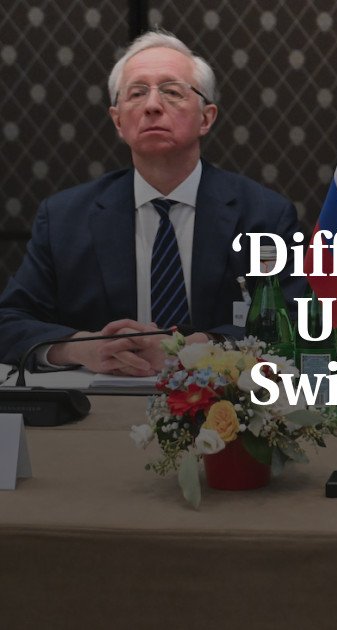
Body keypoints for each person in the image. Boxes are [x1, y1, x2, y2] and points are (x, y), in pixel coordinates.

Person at [0, 30, 302, 376]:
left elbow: (295, 321)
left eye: (172, 92)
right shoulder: (64, 219)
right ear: (118, 120)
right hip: (99, 400)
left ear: (206, 117)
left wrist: (192, 349)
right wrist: (82, 347)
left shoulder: (263, 215)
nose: (152, 105)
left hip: (222, 400)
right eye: (137, 93)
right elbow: (9, 321)